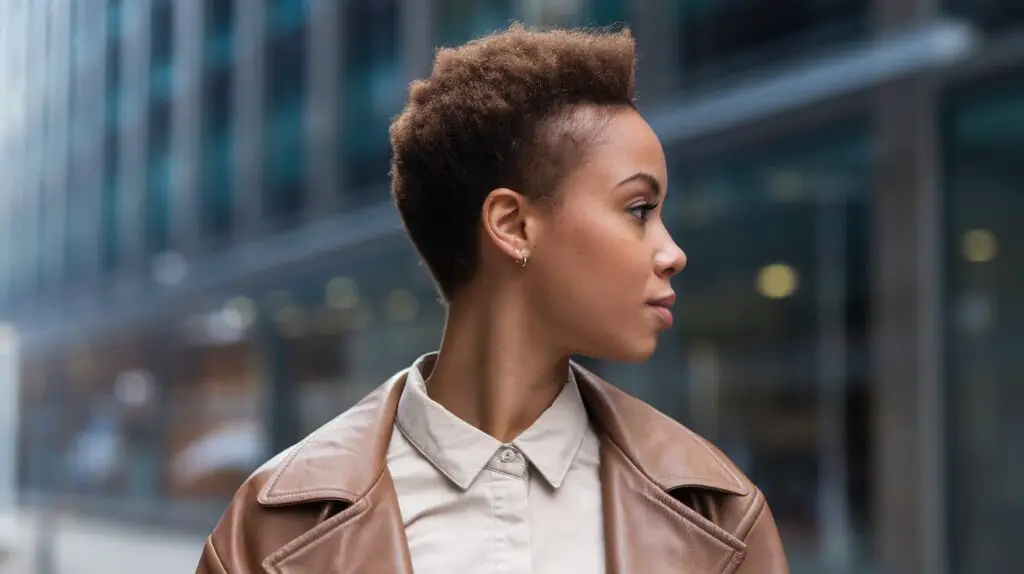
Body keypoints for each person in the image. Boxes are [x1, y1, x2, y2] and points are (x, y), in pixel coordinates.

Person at [196, 24, 789, 574]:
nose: (672, 252)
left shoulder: (719, 516)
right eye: (638, 210)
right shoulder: (271, 527)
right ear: (512, 224)